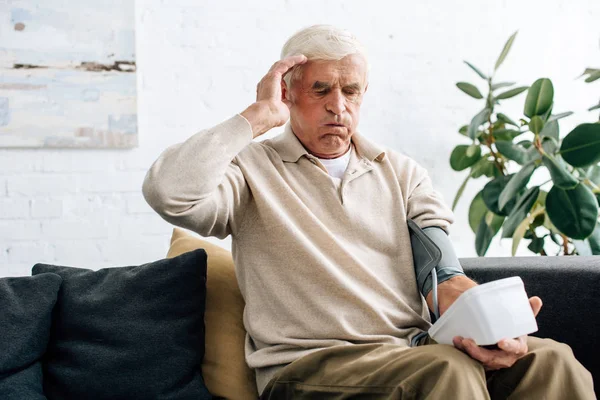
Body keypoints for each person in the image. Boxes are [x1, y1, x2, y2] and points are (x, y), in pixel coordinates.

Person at [143, 25, 595, 399]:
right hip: (307, 369)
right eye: (320, 90)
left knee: (553, 361)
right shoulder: (248, 172)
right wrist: (258, 116)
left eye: (351, 91)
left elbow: (441, 274)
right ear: (288, 92)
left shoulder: (400, 173)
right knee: (445, 373)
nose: (338, 106)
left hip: (412, 352)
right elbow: (169, 193)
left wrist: (490, 326)